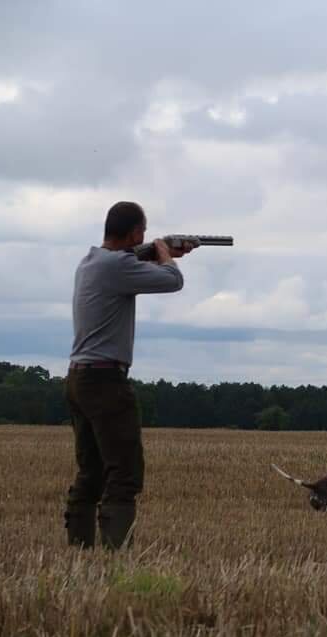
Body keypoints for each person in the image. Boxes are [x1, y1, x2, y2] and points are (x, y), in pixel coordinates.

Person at [63, 201, 192, 550]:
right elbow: (173, 280)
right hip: (105, 381)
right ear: (136, 233)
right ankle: (116, 557)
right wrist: (165, 254)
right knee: (124, 472)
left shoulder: (91, 262)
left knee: (91, 471)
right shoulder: (117, 266)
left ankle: (79, 552)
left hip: (79, 377)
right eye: (144, 233)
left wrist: (153, 255)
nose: (146, 238)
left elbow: (127, 266)